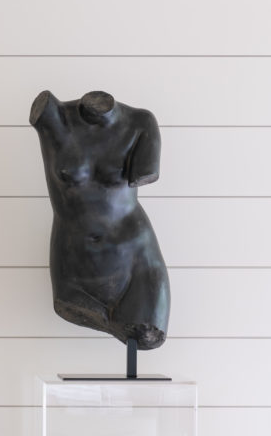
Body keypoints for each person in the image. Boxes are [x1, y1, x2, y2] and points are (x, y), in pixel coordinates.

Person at [30, 89, 170, 350]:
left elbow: (146, 172)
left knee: (147, 336)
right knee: (70, 305)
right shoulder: (52, 114)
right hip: (72, 261)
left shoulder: (140, 123)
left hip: (135, 261)